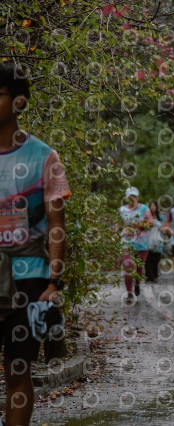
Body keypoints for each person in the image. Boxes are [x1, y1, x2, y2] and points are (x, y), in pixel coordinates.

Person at [0, 63, 71, 426]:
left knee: (17, 368)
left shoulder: (44, 157)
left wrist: (53, 283)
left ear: (19, 102)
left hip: (29, 279)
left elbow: (57, 225)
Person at [117, 187, 153, 302]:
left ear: (138, 197)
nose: (132, 199)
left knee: (139, 268)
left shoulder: (144, 209)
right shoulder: (122, 209)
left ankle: (137, 283)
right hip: (127, 242)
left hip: (142, 243)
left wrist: (138, 224)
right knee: (128, 267)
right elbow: (118, 223)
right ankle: (129, 292)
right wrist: (115, 232)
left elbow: (151, 223)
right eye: (130, 197)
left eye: (134, 196)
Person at [144, 201, 165, 283]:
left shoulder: (161, 218)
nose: (153, 207)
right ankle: (148, 276)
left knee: (156, 259)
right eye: (151, 206)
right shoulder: (146, 217)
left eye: (154, 206)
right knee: (148, 259)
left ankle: (155, 275)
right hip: (148, 239)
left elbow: (165, 227)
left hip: (158, 240)